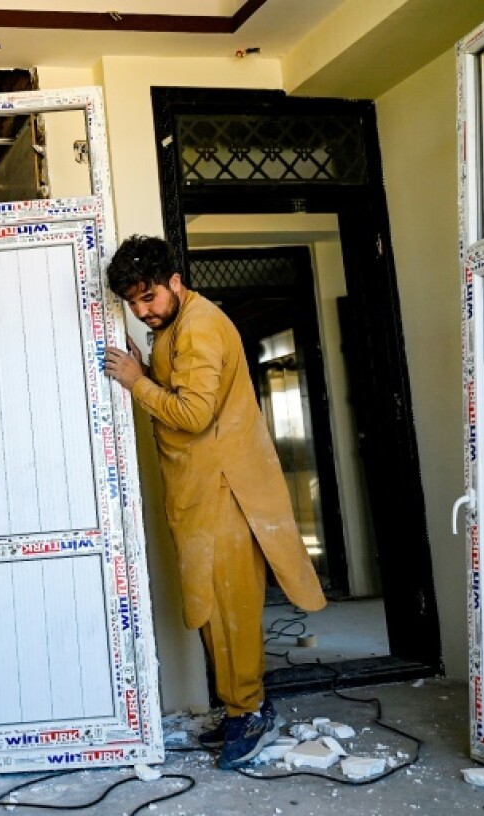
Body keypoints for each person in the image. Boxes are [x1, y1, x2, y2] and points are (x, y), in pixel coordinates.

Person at [102, 235, 326, 769]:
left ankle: (247, 711)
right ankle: (241, 706)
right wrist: (149, 371)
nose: (142, 311)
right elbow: (185, 390)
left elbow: (194, 414)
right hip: (204, 490)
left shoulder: (199, 326)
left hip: (225, 490)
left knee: (227, 608)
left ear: (175, 282)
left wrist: (136, 383)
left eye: (149, 297)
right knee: (215, 608)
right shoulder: (178, 325)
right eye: (133, 303)